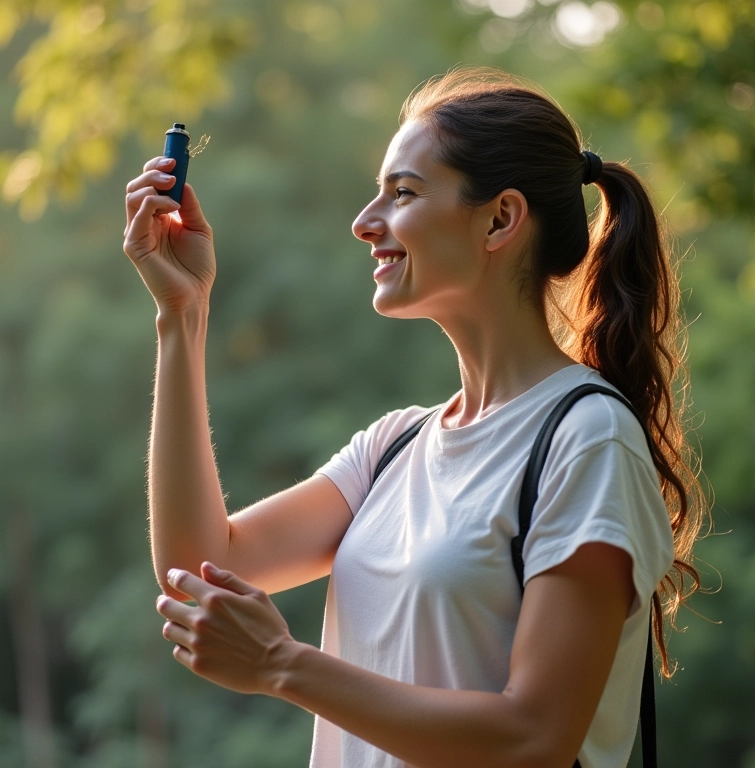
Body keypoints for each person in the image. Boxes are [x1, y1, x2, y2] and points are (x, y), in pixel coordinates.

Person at [122, 68, 706, 768]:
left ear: (500, 219)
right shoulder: (394, 446)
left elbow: (535, 736)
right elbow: (198, 568)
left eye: (402, 193)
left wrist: (284, 665)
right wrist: (182, 315)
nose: (365, 222)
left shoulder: (587, 440)